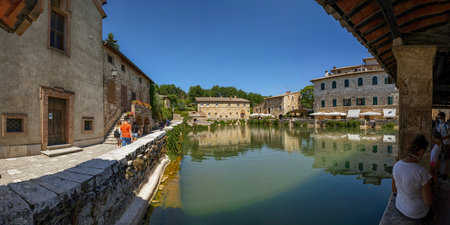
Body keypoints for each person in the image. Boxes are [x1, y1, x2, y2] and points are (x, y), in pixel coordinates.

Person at [392, 134, 434, 222]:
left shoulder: (396, 165)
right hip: (416, 213)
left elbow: (394, 190)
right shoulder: (422, 172)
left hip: (399, 206)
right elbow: (428, 202)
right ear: (421, 152)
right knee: (434, 214)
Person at [435, 112, 449, 180]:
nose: (440, 119)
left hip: (445, 143)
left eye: (441, 118)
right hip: (439, 143)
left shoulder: (447, 125)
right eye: (439, 118)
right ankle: (440, 171)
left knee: (443, 159)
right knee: (438, 158)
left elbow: (449, 134)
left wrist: (444, 137)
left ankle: (443, 173)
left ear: (444, 117)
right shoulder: (438, 125)